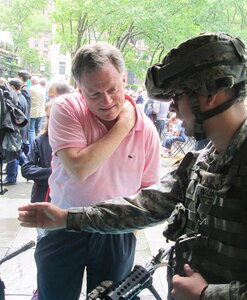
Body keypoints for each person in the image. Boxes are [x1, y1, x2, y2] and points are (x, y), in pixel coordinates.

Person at [18, 33, 247, 299]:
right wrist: (69, 218)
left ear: (209, 96)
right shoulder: (204, 161)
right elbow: (145, 205)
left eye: (177, 96)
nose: (173, 109)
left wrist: (210, 294)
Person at [20, 42, 161, 300]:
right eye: (94, 94)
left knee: (110, 296)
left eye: (112, 89)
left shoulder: (147, 130)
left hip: (115, 231)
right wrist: (124, 125)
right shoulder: (66, 108)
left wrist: (129, 232)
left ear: (124, 78)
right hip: (62, 221)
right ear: (79, 89)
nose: (106, 101)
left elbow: (149, 193)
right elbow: (79, 168)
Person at [21, 81, 71, 202]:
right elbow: (27, 168)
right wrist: (56, 173)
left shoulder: (73, 140)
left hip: (66, 198)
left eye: (54, 116)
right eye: (48, 117)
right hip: (42, 196)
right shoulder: (40, 140)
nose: (51, 121)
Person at [2, 78, 29, 185]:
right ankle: (27, 167)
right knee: (17, 153)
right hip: (18, 130)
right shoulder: (21, 98)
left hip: (15, 131)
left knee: (13, 153)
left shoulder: (17, 99)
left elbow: (17, 117)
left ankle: (12, 177)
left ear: (13, 86)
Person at [28, 76, 46, 144]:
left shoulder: (30, 89)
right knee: (38, 129)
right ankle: (38, 144)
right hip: (41, 112)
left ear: (32, 81)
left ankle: (32, 145)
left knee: (31, 130)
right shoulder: (43, 89)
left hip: (32, 113)